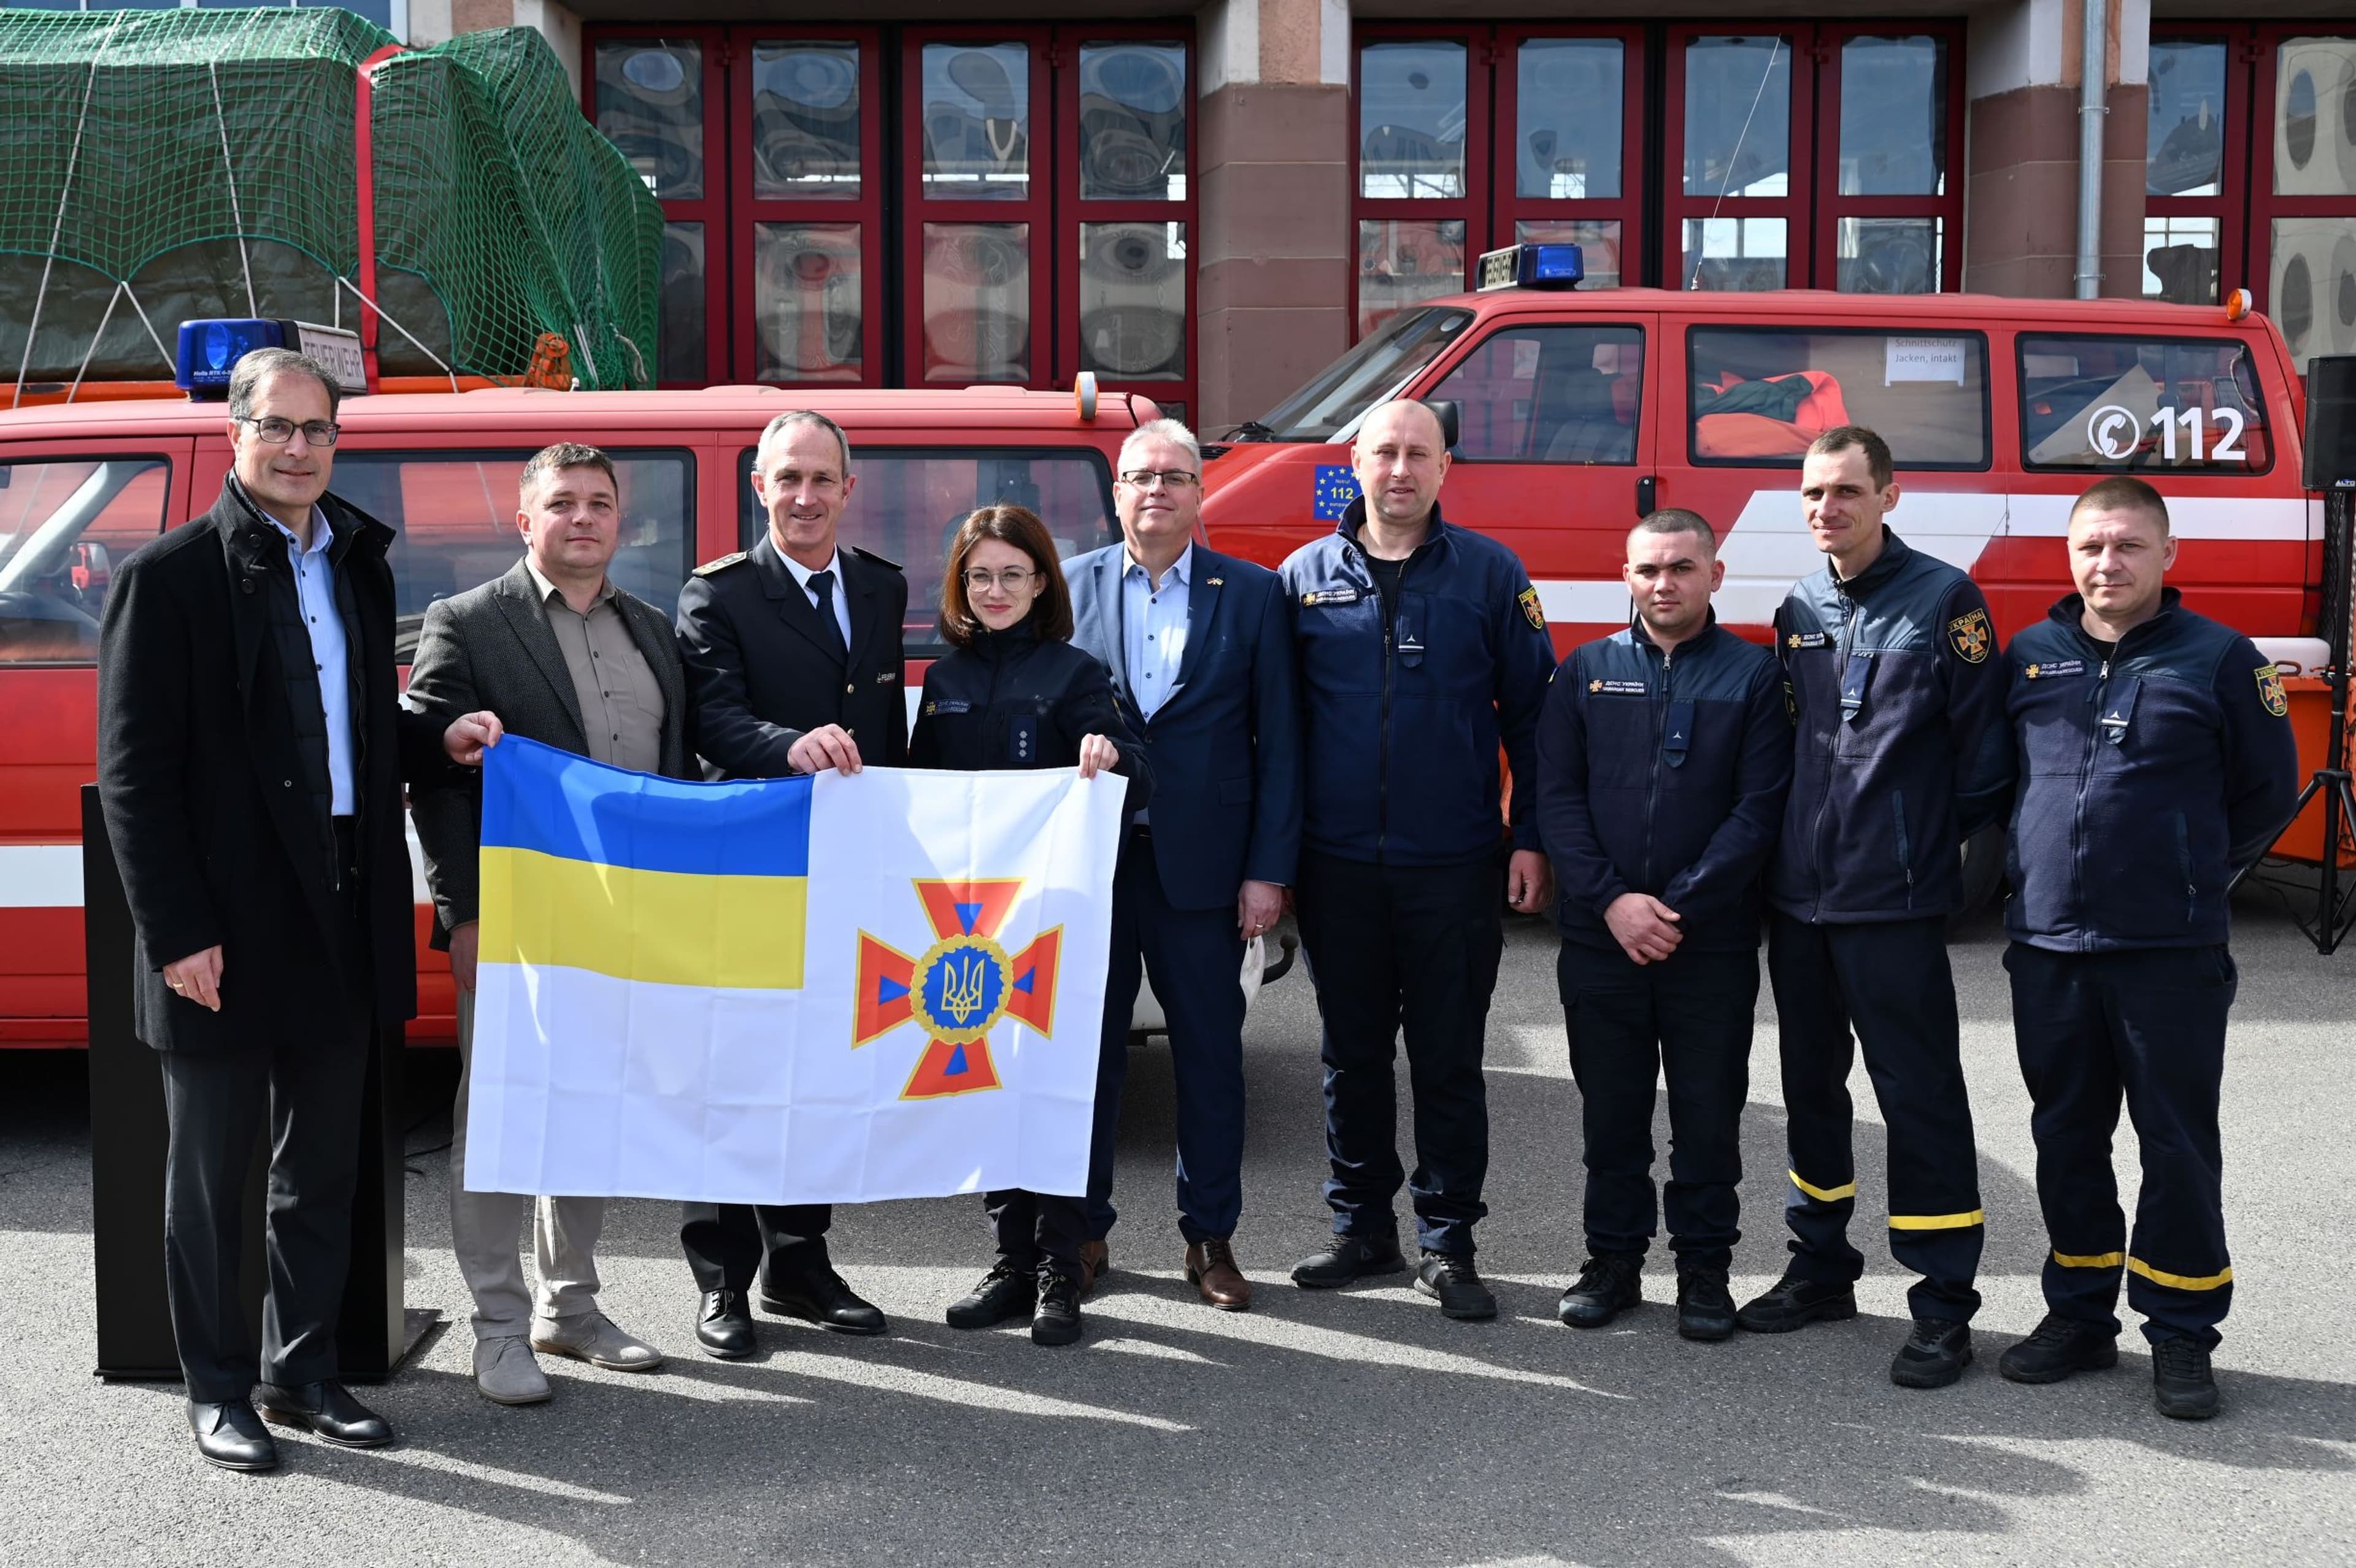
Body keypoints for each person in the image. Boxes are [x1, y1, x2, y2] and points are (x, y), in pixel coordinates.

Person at [95, 347, 495, 1471]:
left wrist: (437, 738)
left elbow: (358, 719)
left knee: (319, 1166)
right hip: (223, 917)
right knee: (212, 1181)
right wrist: (177, 935)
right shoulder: (168, 577)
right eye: (278, 427)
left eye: (318, 430)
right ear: (235, 433)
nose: (299, 448)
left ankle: (304, 1372)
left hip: (342, 894)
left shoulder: (357, 563)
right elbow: (135, 776)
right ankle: (217, 1390)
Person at [1995, 476, 2296, 1420]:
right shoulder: (2032, 656)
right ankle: (2080, 1316)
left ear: (2170, 556)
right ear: (2069, 555)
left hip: (2168, 952)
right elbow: (2000, 783)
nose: (2106, 563)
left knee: (2175, 1146)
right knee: (2066, 1138)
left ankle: (2181, 1332)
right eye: (2091, 546)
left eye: (2128, 546)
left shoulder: (2221, 660)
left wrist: (2193, 879)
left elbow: (2267, 794)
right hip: (2048, 947)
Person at [404, 443, 686, 1404]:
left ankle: (571, 1307)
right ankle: (498, 1326)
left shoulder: (652, 627)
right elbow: (433, 777)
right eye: (561, 503)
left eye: (599, 503)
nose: (582, 519)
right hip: (516, 920)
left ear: (621, 521)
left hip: (628, 923)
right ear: (525, 521)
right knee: (501, 1116)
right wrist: (465, 913)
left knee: (589, 1111)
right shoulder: (468, 624)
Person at [1746, 425, 2011, 1389]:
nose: (1829, 509)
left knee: (1919, 1096)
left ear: (1889, 497)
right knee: (1811, 1091)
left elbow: (1985, 763)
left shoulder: (1946, 602)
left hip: (1892, 903)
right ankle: (1819, 1266)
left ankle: (1943, 1303)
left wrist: (1917, 847)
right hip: (1801, 902)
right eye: (1814, 493)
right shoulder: (1799, 604)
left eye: (1848, 492)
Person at [1280, 398, 1556, 1322]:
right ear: (1354, 463)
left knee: (1446, 1059)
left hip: (1456, 865)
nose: (1399, 470)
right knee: (1350, 1056)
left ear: (1445, 471)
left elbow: (1533, 716)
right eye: (1384, 453)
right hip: (1336, 866)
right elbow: (1277, 734)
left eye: (1418, 455)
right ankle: (1362, 1228)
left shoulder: (1490, 574)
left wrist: (1534, 837)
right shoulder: (1302, 578)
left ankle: (1448, 1241)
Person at [672, 409, 906, 1356]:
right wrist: (788, 748)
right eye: (787, 479)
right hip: (753, 867)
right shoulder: (717, 594)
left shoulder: (882, 589)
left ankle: (801, 1265)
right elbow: (711, 718)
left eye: (822, 479)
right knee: (734, 1075)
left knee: (824, 1071)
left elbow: (888, 734)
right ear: (757, 488)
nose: (805, 496)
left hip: (851, 870)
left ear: (849, 490)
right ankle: (722, 1280)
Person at [1537, 509, 1791, 1342]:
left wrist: (1677, 908)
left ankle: (1705, 1272)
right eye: (1649, 570)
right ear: (1627, 577)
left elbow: (1758, 812)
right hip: (1600, 939)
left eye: (1682, 568)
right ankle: (1612, 1263)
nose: (1664, 584)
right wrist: (1614, 903)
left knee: (1708, 1119)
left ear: (1715, 575)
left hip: (1705, 944)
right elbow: (1558, 800)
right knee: (1611, 1119)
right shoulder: (1585, 672)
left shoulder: (1753, 678)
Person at [1064, 418, 1301, 1310]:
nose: (1155, 490)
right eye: (1138, 476)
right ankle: (1083, 1233)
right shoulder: (1071, 587)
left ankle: (1211, 1239)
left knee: (1209, 1060)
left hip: (1208, 873)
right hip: (1094, 869)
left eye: (1174, 475)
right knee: (1089, 1059)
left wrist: (1269, 871)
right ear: (1114, 493)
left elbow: (1281, 743)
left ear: (1201, 492)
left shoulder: (1252, 594)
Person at [918, 504, 1152, 1347]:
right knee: (991, 1085)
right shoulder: (942, 683)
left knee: (1071, 1088)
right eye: (979, 575)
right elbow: (921, 800)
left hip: (1066, 927)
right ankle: (1011, 1260)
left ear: (1043, 581)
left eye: (1013, 573)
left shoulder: (1077, 674)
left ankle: (1066, 1259)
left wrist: (1110, 757)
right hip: (976, 930)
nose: (995, 589)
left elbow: (1141, 774)